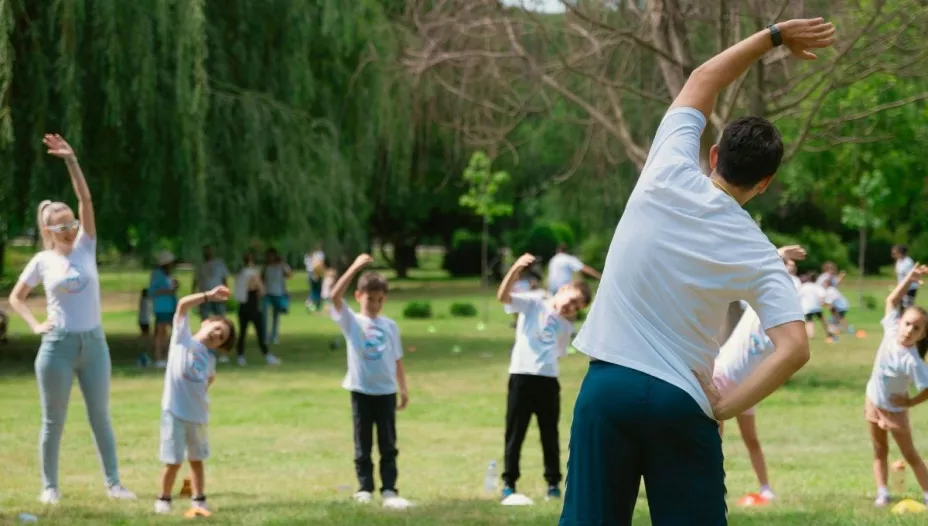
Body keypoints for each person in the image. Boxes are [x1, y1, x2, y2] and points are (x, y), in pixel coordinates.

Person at [559, 18, 833, 526]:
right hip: (682, 401)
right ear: (766, 183)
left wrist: (773, 36)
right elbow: (795, 347)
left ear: (712, 154)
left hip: (608, 390)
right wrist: (726, 406)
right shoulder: (757, 250)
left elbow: (703, 78)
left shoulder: (666, 169)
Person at [6, 133, 136, 504]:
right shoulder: (43, 261)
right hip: (57, 348)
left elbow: (86, 199)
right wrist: (34, 325)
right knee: (53, 422)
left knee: (101, 418)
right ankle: (50, 488)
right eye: (61, 225)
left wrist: (71, 160)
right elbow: (16, 297)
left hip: (94, 345)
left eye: (72, 222)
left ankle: (114, 485)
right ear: (48, 230)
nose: (70, 228)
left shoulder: (87, 247)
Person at [497, 253, 591, 502]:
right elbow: (503, 297)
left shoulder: (565, 327)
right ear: (564, 289)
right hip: (521, 375)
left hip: (548, 380)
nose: (571, 308)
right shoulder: (534, 303)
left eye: (577, 307)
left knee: (549, 433)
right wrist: (516, 268)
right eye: (572, 300)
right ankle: (509, 481)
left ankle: (553, 483)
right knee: (515, 431)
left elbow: (558, 352)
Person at [329, 254, 410, 509]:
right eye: (369, 298)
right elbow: (334, 296)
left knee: (388, 444)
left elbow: (397, 358)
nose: (374, 304)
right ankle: (364, 487)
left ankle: (389, 488)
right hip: (361, 390)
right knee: (362, 443)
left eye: (379, 299)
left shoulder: (390, 325)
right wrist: (354, 267)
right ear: (359, 297)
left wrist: (403, 388)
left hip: (386, 392)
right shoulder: (351, 321)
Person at [154, 285, 236, 515]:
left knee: (197, 459)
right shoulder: (182, 338)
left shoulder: (209, 360)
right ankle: (164, 498)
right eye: (218, 328)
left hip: (197, 415)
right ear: (206, 322)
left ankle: (198, 499)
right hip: (174, 411)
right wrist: (209, 295)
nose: (217, 335)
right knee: (173, 460)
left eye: (222, 338)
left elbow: (208, 382)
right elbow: (181, 305)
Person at [865, 263, 928, 507]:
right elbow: (891, 300)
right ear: (900, 322)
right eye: (908, 323)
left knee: (909, 454)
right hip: (873, 399)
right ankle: (882, 493)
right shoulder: (891, 330)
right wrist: (910, 278)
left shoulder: (913, 361)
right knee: (879, 449)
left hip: (894, 409)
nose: (909, 330)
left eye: (917, 328)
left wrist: (909, 402)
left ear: (922, 335)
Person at [713, 302, 777, 505]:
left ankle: (766, 488)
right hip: (722, 376)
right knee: (715, 439)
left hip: (747, 386)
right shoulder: (754, 304)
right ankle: (714, 487)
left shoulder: (781, 330)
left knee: (751, 438)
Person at [234, 253, 279, 366]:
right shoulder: (253, 274)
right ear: (251, 262)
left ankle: (240, 356)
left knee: (242, 332)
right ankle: (267, 355)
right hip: (253, 307)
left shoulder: (239, 274)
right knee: (260, 332)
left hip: (242, 307)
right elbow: (262, 290)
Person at [149, 251, 179, 368]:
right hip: (161, 306)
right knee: (160, 332)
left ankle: (168, 356)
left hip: (171, 305)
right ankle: (158, 357)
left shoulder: (169, 275)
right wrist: (167, 291)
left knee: (170, 332)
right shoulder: (156, 274)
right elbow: (152, 291)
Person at [262, 247, 292, 345]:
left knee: (276, 316)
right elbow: (262, 279)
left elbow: (289, 275)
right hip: (267, 293)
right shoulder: (265, 267)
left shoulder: (280, 266)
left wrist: (283, 263)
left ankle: (274, 336)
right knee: (265, 316)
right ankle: (265, 336)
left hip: (278, 293)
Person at [191, 245, 229, 319]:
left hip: (218, 294)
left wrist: (226, 293)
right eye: (206, 251)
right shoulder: (200, 265)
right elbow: (195, 280)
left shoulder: (219, 263)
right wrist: (193, 293)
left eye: (209, 251)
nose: (208, 253)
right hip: (204, 295)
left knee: (220, 317)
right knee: (204, 317)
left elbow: (224, 279)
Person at [798, 273, 833, 341]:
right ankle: (829, 332)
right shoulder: (817, 287)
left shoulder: (803, 286)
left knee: (809, 321)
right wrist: (825, 303)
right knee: (823, 319)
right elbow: (822, 296)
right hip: (816, 306)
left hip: (806, 307)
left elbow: (798, 296)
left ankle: (811, 335)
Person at [893, 245, 918, 312]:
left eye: (895, 253)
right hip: (902, 287)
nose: (893, 255)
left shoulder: (908, 262)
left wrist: (905, 289)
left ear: (900, 253)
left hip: (909, 288)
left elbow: (910, 276)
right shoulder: (899, 261)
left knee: (907, 307)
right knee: (900, 306)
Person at [305, 244, 326, 311]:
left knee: (314, 290)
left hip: (310, 273)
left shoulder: (308, 255)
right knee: (318, 290)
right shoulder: (320, 254)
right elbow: (319, 265)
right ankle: (316, 306)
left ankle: (311, 303)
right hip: (316, 273)